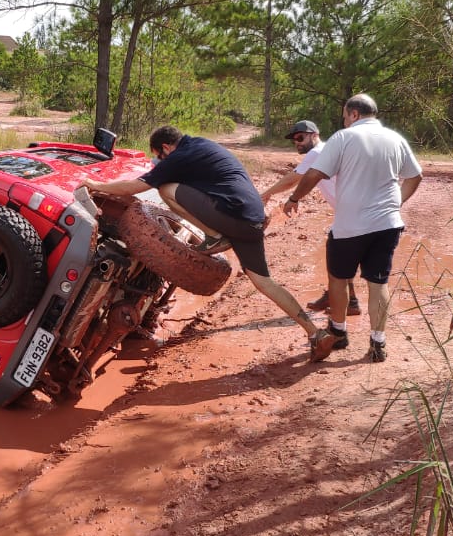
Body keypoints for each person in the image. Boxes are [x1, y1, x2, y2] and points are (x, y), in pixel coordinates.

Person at [80, 125, 338, 361]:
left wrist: (94, 185)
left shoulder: (178, 157)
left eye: (158, 155)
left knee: (165, 189)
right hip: (253, 219)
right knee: (263, 281)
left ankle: (214, 235)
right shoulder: (201, 146)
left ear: (166, 148)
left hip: (234, 217)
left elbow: (134, 187)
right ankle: (316, 333)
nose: (159, 160)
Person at [281, 94, 422, 363]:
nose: (344, 120)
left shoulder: (343, 138)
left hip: (350, 225)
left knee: (338, 277)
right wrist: (397, 203)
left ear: (354, 114)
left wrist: (294, 198)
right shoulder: (395, 139)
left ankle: (339, 332)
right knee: (378, 281)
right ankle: (378, 342)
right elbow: (415, 176)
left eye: (345, 115)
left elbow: (314, 174)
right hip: (387, 224)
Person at [258, 119, 360, 316]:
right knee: (340, 255)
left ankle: (349, 302)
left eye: (300, 137)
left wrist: (266, 194)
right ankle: (340, 296)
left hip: (352, 212)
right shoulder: (326, 151)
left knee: (339, 256)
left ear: (315, 135)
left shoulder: (317, 152)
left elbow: (293, 179)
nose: (297, 142)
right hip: (351, 210)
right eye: (294, 139)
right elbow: (302, 180)